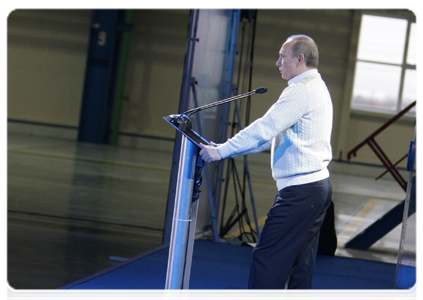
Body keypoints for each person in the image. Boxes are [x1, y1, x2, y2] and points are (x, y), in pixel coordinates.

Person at [199, 34, 333, 300]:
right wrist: (224, 149)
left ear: (300, 58)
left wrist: (222, 151)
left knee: (266, 257)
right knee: (299, 264)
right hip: (316, 188)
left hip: (300, 193)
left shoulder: (300, 90)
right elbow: (272, 137)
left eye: (283, 56)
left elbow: (265, 128)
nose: (277, 62)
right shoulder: (316, 85)